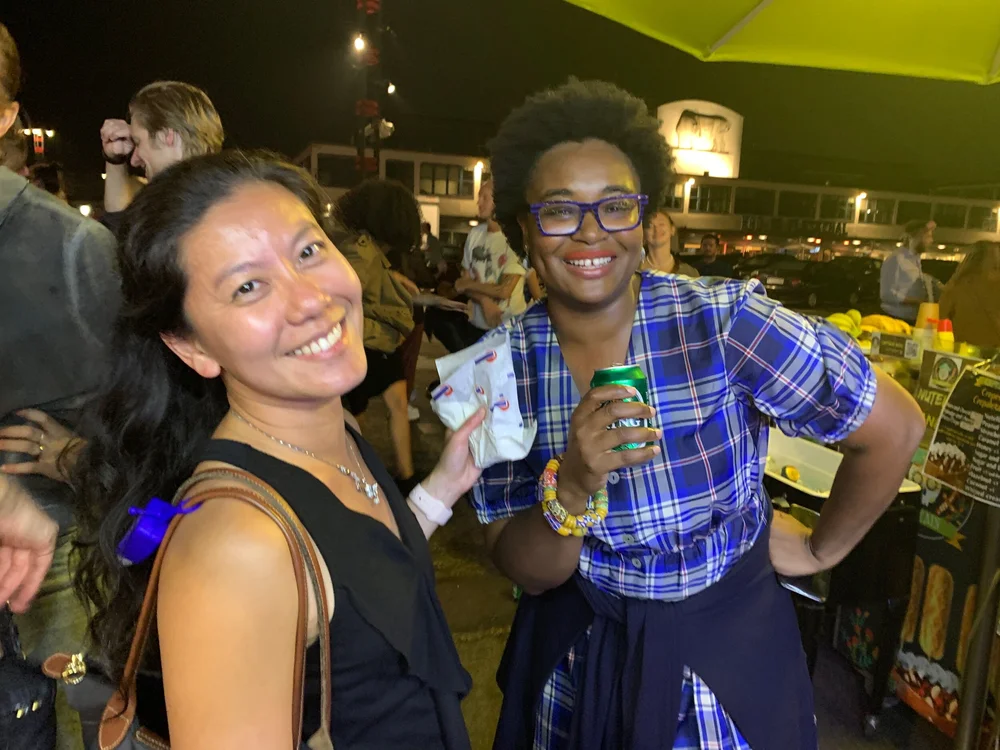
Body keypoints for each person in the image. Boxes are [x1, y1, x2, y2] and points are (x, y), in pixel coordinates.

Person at [476, 79, 926, 749]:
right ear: (523, 227)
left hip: (728, 663)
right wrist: (571, 488)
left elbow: (894, 428)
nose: (592, 232)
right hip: (579, 658)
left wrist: (817, 549)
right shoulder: (496, 368)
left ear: (646, 217)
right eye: (561, 211)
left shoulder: (725, 323)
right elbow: (523, 565)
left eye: (617, 207)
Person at [71, 151, 482, 748]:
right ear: (192, 349)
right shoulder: (237, 546)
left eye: (308, 251)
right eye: (247, 286)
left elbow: (360, 582)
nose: (311, 298)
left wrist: (441, 489)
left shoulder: (338, 431)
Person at [0, 23, 120, 750]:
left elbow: (155, 446)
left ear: (6, 116)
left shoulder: (74, 252)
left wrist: (74, 458)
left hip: (50, 581)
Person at [332, 178, 420, 487]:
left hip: (373, 338)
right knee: (360, 413)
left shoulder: (362, 245)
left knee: (388, 402)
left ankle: (399, 475)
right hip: (367, 339)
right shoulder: (362, 249)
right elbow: (347, 297)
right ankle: (361, 475)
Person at [100, 80, 224, 233]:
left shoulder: (187, 216)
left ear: (167, 136)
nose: (134, 160)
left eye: (138, 143)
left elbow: (120, 236)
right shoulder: (223, 195)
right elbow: (118, 226)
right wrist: (115, 160)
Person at [425, 177, 527, 353]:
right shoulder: (474, 234)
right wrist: (484, 300)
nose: (478, 202)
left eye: (484, 197)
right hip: (476, 326)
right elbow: (463, 281)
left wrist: (467, 284)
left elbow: (504, 290)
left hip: (508, 330)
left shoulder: (514, 239)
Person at [940, 240, 1000, 349]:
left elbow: (941, 318)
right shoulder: (994, 286)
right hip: (993, 354)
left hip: (960, 352)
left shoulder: (955, 286)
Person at [880, 219, 941, 324]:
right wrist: (918, 302)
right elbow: (886, 294)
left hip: (912, 319)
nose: (931, 241)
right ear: (915, 237)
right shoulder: (896, 259)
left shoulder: (916, 259)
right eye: (928, 237)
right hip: (895, 319)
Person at [642, 209, 698, 277]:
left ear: (672, 229)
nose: (656, 229)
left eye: (661, 224)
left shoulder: (689, 273)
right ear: (644, 233)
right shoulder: (633, 271)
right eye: (650, 225)